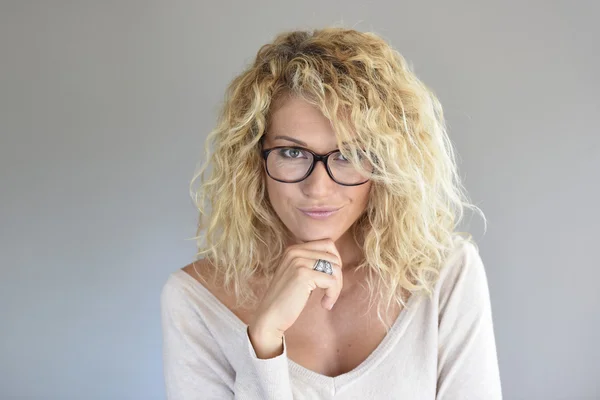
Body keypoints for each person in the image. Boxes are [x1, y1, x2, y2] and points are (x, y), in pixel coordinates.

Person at [160, 27, 502, 399]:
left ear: (386, 164)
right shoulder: (195, 301)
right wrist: (264, 339)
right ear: (252, 160)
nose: (318, 188)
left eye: (349, 155)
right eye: (292, 153)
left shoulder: (445, 275)